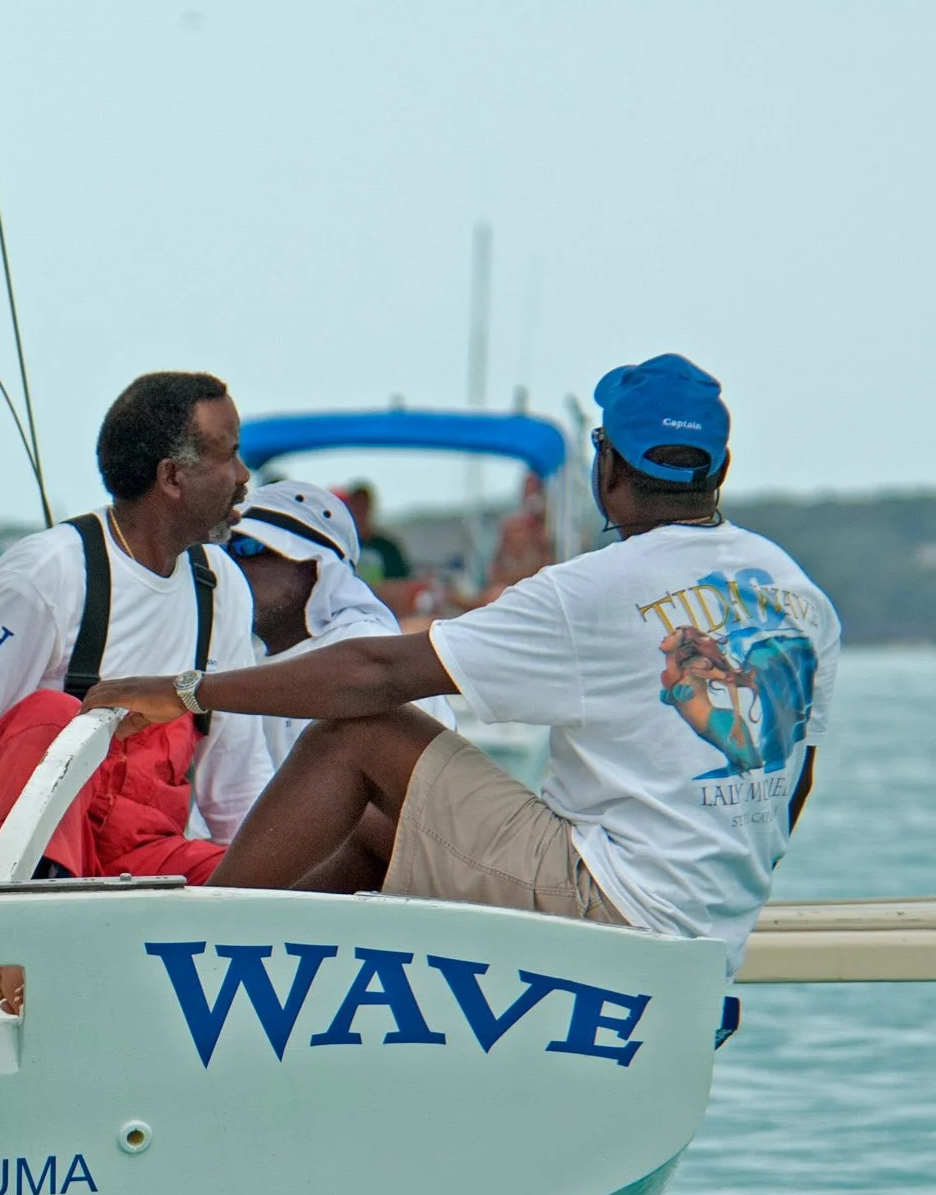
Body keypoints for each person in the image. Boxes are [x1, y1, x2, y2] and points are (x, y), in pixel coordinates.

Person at [81, 355, 839, 974]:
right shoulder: (801, 597)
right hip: (710, 937)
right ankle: (289, 964)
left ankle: (182, 955)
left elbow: (377, 675)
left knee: (360, 735)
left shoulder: (596, 589)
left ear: (609, 465)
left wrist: (185, 691)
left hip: (609, 910)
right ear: (722, 467)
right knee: (381, 822)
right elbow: (790, 783)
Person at [0, 372, 271, 883]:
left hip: (145, 858)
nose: (242, 475)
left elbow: (238, 781)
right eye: (229, 455)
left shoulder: (221, 584)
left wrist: (272, 889)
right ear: (171, 477)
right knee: (50, 713)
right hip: (18, 866)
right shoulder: (48, 572)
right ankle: (32, 932)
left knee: (291, 871)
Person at [224, 478, 455, 764]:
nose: (231, 564)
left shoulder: (371, 651)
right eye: (224, 550)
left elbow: (414, 797)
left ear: (315, 565)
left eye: (247, 547)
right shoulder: (238, 661)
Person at [484, 471, 552, 596]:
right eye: (526, 489)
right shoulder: (511, 525)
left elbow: (544, 568)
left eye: (533, 489)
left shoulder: (545, 532)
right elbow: (494, 571)